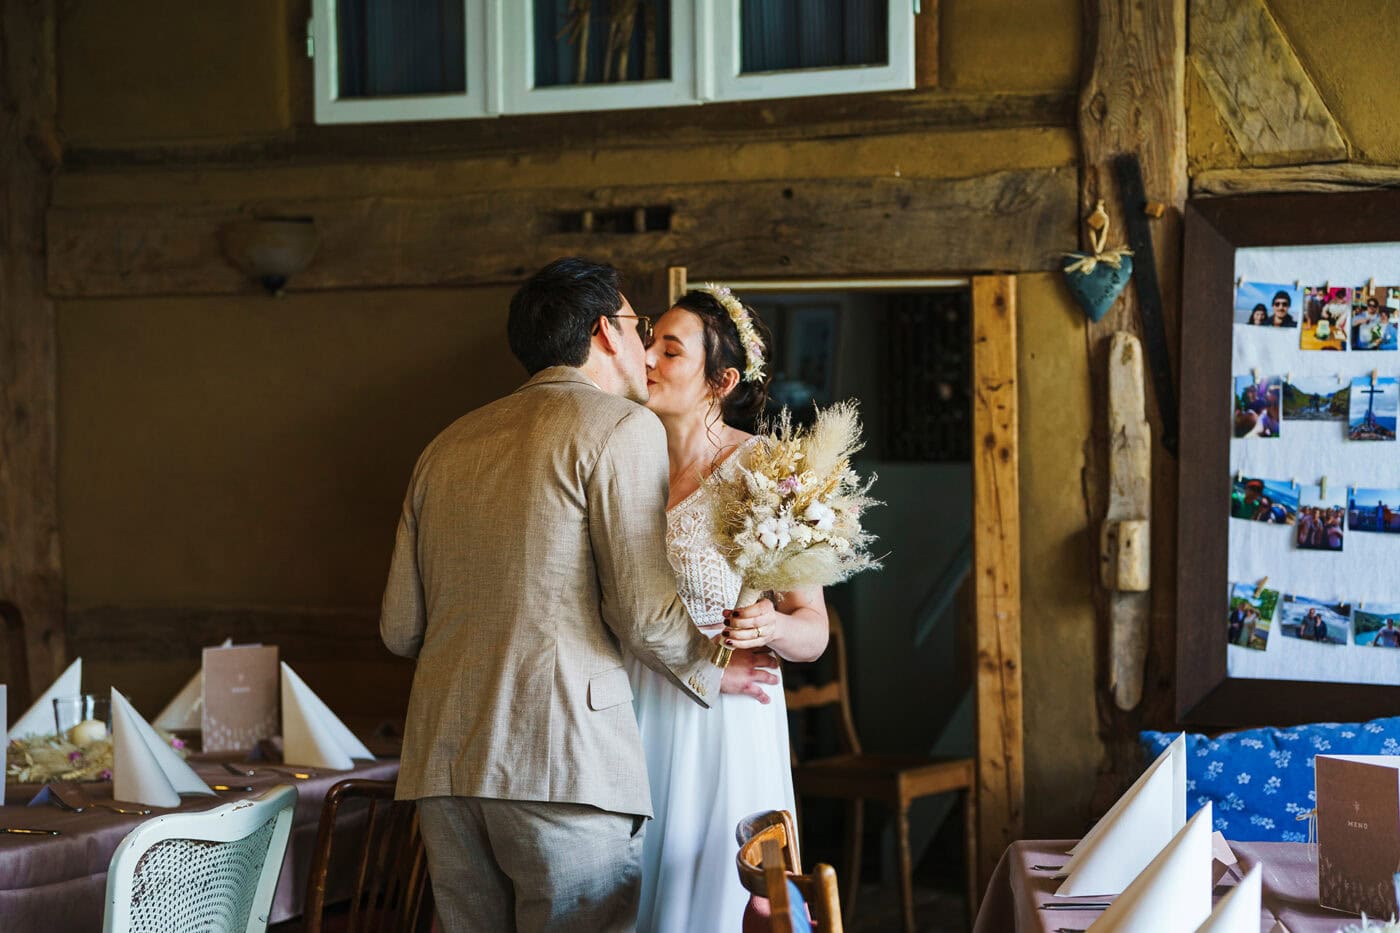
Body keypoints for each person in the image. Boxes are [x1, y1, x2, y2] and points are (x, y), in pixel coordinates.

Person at [380, 258, 780, 932]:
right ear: (604, 331)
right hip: (562, 762)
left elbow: (398, 627)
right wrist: (714, 662)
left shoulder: (444, 446)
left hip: (442, 763)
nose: (644, 346)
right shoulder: (621, 428)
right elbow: (646, 614)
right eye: (636, 326)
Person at [629, 286, 830, 933]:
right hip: (635, 703)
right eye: (647, 341)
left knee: (713, 887)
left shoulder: (765, 469)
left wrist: (771, 625)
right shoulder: (625, 464)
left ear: (722, 380)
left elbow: (814, 629)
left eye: (670, 348)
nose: (648, 358)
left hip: (726, 716)